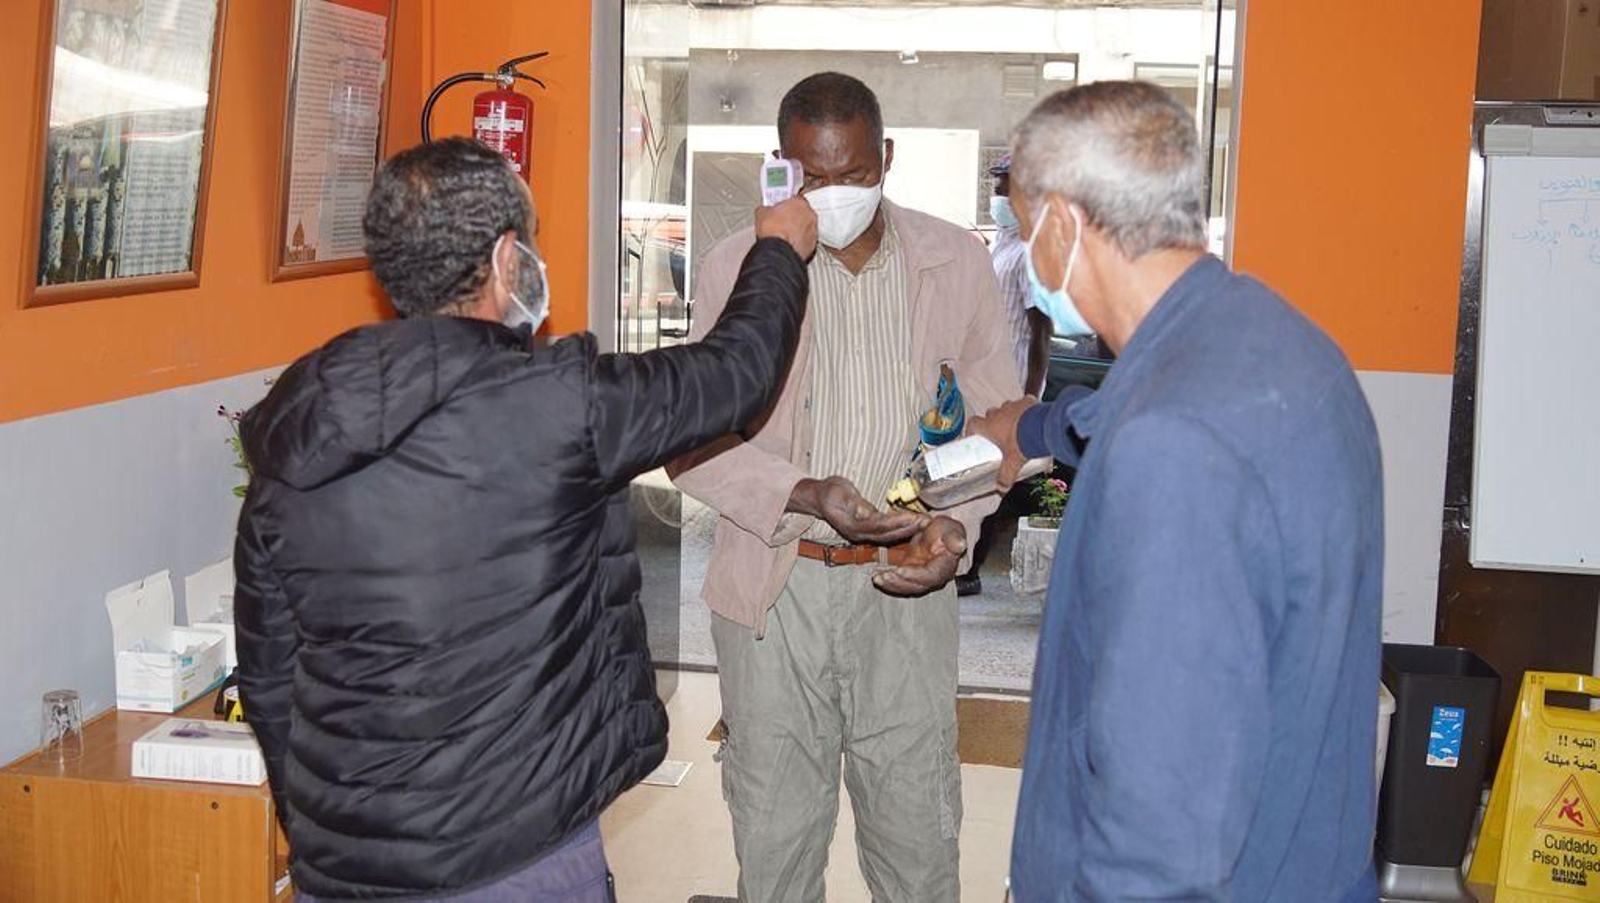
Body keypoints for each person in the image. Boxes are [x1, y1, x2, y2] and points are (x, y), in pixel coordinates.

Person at [233, 137, 817, 902]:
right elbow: (734, 374)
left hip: (346, 871)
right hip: (519, 860)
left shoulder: (295, 426)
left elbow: (270, 671)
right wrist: (777, 250)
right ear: (509, 260)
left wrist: (323, 824)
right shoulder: (559, 405)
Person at [971, 81, 1383, 901]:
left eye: (1022, 231)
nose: (1025, 262)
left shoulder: (1176, 451)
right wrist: (1036, 429)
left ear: (1061, 225)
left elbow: (1162, 841)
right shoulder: (1278, 346)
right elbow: (1146, 409)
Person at [669, 72, 1020, 901]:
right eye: (814, 178)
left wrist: (956, 525)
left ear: (887, 158)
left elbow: (994, 423)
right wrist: (801, 491)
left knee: (916, 837)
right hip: (776, 588)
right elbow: (693, 443)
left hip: (902, 591)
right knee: (777, 836)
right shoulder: (736, 270)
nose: (836, 196)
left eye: (856, 175)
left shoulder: (952, 261)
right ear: (782, 168)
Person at [956, 153, 1055, 597]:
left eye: (1005, 187)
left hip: (1012, 385)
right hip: (985, 382)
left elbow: (1041, 329)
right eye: (995, 185)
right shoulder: (1002, 245)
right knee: (978, 476)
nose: (997, 195)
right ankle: (965, 561)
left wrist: (1030, 395)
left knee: (993, 478)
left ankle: (970, 568)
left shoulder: (1033, 252)